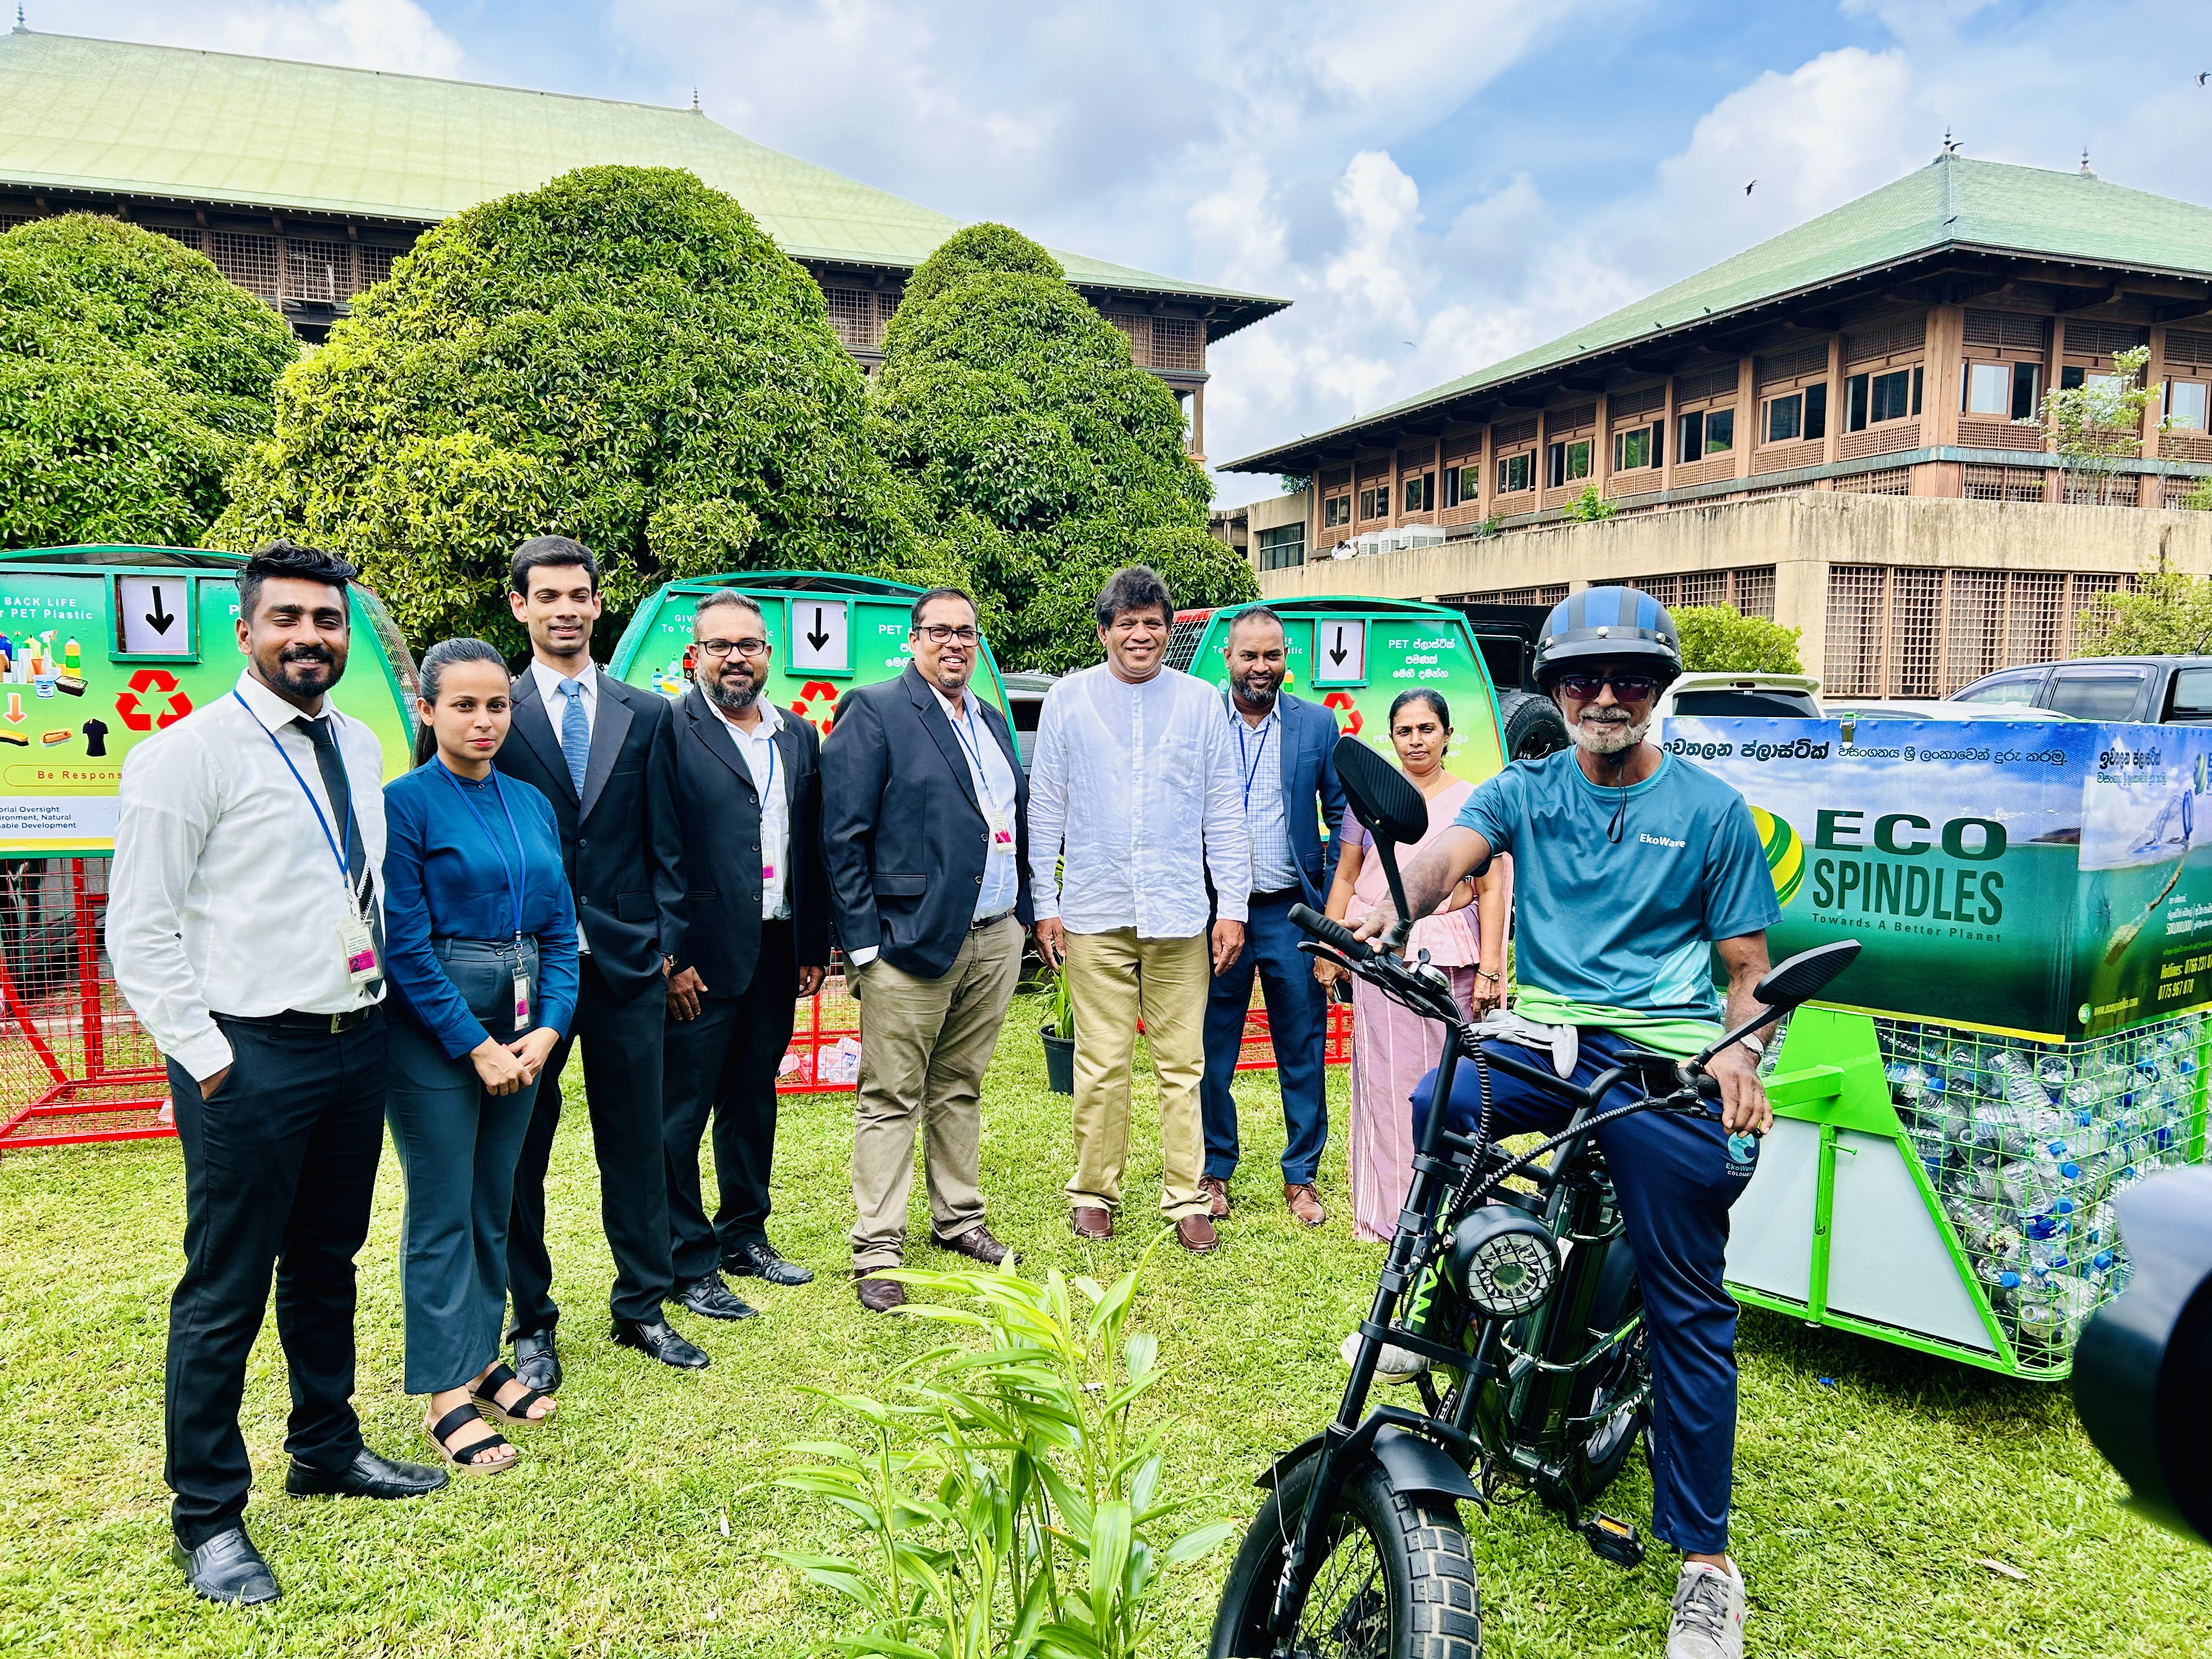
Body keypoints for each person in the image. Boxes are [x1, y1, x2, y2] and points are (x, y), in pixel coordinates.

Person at [1347, 588, 1780, 1659]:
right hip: (1544, 1042)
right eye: (1581, 679)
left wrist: (1740, 1049)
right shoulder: (1527, 790)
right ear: (1552, 690)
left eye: (1629, 677)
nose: (1603, 696)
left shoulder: (1714, 813)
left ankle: (1705, 1566)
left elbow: (1747, 976)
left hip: (1660, 1062)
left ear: (1658, 690)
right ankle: (1443, 1315)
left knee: (1690, 1304)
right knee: (1432, 1101)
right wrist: (1381, 902)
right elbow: (1449, 856)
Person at [110, 541, 447, 1606]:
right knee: (225, 1286)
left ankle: (325, 1445)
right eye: (290, 619)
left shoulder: (355, 741)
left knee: (325, 1261)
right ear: (248, 632)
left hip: (355, 1042)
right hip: (246, 1054)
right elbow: (142, 932)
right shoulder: (188, 756)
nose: (312, 637)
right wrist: (209, 1064)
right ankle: (207, 1517)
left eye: (329, 621)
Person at [496, 537, 702, 1379]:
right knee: (520, 1152)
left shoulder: (645, 714)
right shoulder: (496, 710)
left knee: (638, 1143)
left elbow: (670, 844)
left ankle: (642, 1307)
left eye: (579, 595)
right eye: (548, 597)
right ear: (521, 606)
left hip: (625, 968)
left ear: (597, 602)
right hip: (524, 970)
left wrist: (664, 946)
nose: (566, 610)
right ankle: (531, 1323)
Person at [381, 639, 578, 1473]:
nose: (484, 720)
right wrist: (474, 1044)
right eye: (463, 705)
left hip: (525, 1017)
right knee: (441, 1212)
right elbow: (404, 943)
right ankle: (444, 1396)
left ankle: (484, 1358)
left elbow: (563, 933)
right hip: (435, 1030)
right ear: (427, 712)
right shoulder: (403, 804)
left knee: (494, 1197)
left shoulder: (531, 803)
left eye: (497, 704)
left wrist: (547, 1028)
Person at [1029, 566, 1250, 1253]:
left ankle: (1186, 1196)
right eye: (1126, 623)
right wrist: (1045, 902)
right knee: (1100, 1062)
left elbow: (1224, 808)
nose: (1140, 634)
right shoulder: (1067, 700)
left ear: (1168, 631)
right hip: (1095, 909)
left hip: (1181, 911)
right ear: (1104, 633)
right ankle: (1094, 1192)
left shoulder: (1199, 703)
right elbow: (1046, 807)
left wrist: (1233, 906)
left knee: (1183, 1064)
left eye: (1153, 622)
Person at [821, 586, 1029, 1313]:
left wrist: (1024, 919)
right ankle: (878, 1247)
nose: (954, 644)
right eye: (939, 631)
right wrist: (863, 948)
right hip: (907, 943)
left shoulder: (994, 723)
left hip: (994, 936)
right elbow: (841, 836)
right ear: (913, 640)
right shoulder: (877, 710)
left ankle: (959, 1220)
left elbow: (1008, 824)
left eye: (967, 633)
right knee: (890, 1097)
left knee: (960, 1085)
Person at [661, 590, 830, 1317]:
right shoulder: (668, 730)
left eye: (750, 645)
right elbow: (656, 847)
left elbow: (810, 844)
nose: (737, 657)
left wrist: (812, 941)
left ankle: (744, 1234)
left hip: (773, 945)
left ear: (768, 654)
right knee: (680, 1115)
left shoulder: (796, 736)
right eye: (721, 645)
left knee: (753, 1101)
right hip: (699, 956)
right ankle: (686, 1259)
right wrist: (670, 957)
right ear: (696, 655)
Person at [1317, 689, 1509, 1243]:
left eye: (1428, 728)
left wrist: (1493, 965)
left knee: (1456, 1080)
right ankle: (1392, 1214)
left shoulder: (1477, 801)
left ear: (1448, 734)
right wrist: (1333, 948)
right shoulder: (1368, 801)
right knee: (1386, 1078)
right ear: (1392, 738)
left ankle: (1460, 1207)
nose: (1417, 740)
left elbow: (1492, 886)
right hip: (1383, 953)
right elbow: (1348, 877)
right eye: (1405, 731)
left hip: (1453, 955)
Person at [1196, 606, 1345, 1227]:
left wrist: (1332, 911)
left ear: (1288, 659)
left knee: (1303, 1044)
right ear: (1227, 657)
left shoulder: (1317, 725)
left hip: (1292, 913)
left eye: (1273, 656)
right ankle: (1213, 1170)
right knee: (1210, 1047)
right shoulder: (1199, 720)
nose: (1262, 668)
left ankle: (1302, 1176)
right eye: (1249, 655)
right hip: (1214, 912)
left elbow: (1343, 818)